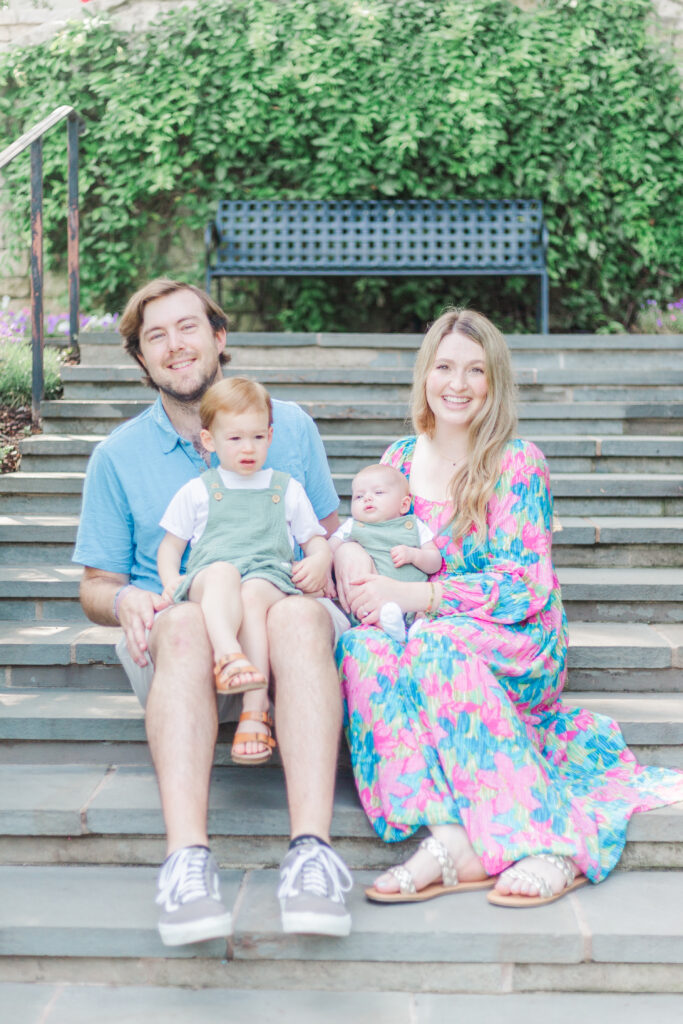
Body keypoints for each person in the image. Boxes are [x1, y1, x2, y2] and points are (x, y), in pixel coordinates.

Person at [334, 308, 683, 908]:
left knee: (433, 642)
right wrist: (344, 566)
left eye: (476, 370)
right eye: (444, 366)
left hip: (516, 640)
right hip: (414, 634)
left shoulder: (517, 461)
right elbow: (360, 541)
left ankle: (548, 841)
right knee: (360, 648)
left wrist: (424, 597)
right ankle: (448, 836)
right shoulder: (395, 458)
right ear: (425, 374)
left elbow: (526, 585)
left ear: (495, 382)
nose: (458, 384)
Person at [73, 279, 352, 946]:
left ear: (219, 338)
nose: (175, 346)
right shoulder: (118, 457)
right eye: (155, 337)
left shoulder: (290, 429)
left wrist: (329, 569)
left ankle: (312, 852)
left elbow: (331, 535)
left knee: (296, 615)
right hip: (177, 640)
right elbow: (95, 587)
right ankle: (187, 862)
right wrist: (126, 597)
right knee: (188, 620)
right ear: (141, 360)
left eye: (187, 327)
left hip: (284, 625)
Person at [157, 376, 333, 765]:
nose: (248, 447)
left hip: (267, 575)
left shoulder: (285, 489)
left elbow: (316, 538)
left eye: (256, 437)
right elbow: (170, 550)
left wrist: (319, 560)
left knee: (252, 592)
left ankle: (255, 708)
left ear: (270, 436)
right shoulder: (200, 490)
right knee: (222, 573)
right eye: (234, 438)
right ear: (209, 440)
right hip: (210, 579)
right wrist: (172, 582)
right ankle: (228, 654)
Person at [328, 463, 441, 642]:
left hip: (413, 600)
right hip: (374, 601)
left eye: (378, 493)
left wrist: (414, 555)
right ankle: (386, 626)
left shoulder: (414, 525)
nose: (367, 498)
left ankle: (417, 629)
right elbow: (328, 552)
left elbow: (435, 561)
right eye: (358, 496)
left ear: (404, 505)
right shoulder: (352, 527)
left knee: (424, 615)